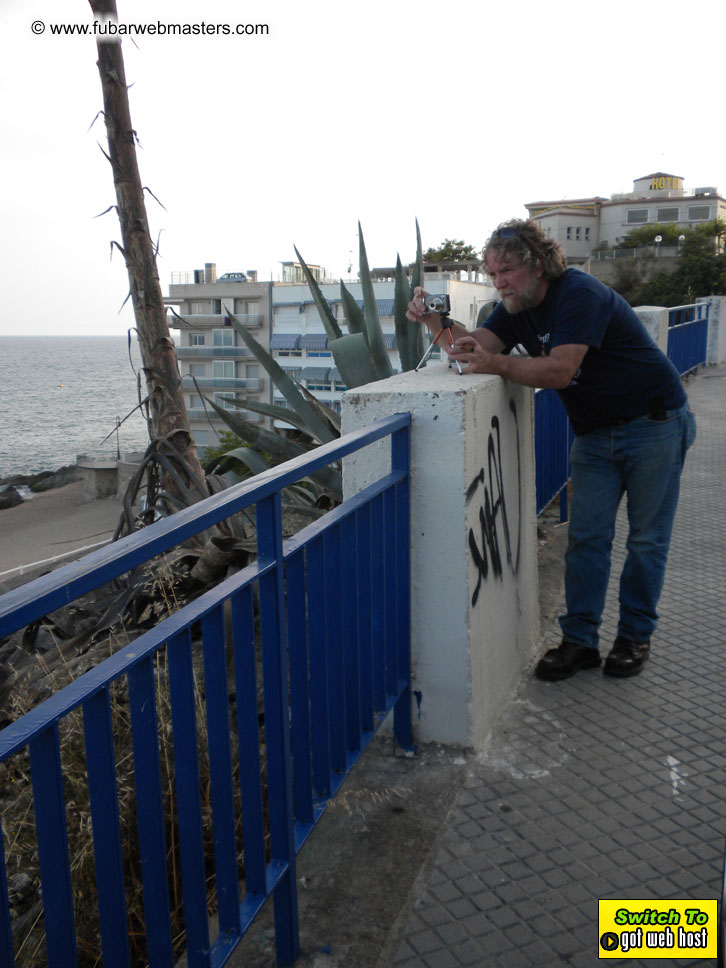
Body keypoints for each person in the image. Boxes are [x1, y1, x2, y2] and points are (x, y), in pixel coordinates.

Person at [407, 219, 696, 681]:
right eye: (492, 274)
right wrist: (434, 322)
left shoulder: (578, 294)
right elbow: (474, 346)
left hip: (654, 425)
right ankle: (580, 642)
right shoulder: (516, 305)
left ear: (537, 266)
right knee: (586, 540)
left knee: (645, 541)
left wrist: (496, 363)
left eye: (506, 271)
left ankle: (633, 636)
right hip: (596, 434)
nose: (499, 282)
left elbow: (560, 370)